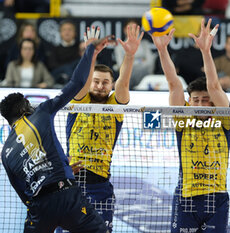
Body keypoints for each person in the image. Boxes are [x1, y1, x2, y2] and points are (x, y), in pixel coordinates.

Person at [0, 30, 114, 233]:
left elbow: (21, 191)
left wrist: (41, 209)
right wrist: (90, 50)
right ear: (25, 108)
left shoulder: (5, 152)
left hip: (39, 207)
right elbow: (77, 83)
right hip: (67, 195)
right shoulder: (40, 113)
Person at [152, 18, 230, 232]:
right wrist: (162, 51)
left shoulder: (223, 118)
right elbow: (173, 84)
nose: (200, 104)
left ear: (213, 102)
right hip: (186, 197)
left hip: (217, 198)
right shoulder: (183, 119)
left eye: (205, 100)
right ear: (189, 102)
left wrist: (206, 51)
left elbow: (214, 86)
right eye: (195, 100)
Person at [66, 23, 143, 233]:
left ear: (110, 86)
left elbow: (124, 84)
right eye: (96, 82)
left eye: (105, 83)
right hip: (71, 184)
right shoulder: (79, 101)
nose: (100, 86)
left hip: (100, 186)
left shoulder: (114, 107)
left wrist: (129, 56)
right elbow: (81, 79)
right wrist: (90, 53)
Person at [114, 19, 155, 90]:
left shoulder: (145, 44)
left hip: (145, 76)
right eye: (130, 28)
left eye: (135, 28)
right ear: (124, 30)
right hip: (127, 78)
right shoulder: (119, 47)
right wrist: (141, 60)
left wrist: (130, 62)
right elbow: (121, 65)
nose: (133, 30)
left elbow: (150, 63)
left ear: (138, 30)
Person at [47, 20, 80, 86]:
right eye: (64, 30)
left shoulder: (80, 48)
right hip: (58, 79)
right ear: (60, 33)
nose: (67, 32)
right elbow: (52, 65)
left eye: (70, 30)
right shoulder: (54, 49)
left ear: (75, 33)